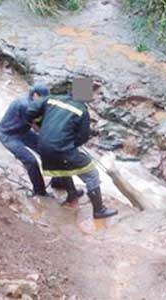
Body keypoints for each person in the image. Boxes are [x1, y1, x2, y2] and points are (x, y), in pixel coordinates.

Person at [24, 78, 117, 219]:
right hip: (60, 149)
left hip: (42, 146)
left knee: (62, 166)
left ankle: (72, 194)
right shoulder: (81, 111)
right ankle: (99, 210)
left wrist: (42, 125)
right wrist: (71, 142)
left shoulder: (52, 99)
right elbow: (83, 137)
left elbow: (30, 111)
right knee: (91, 174)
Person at [0, 84, 55, 197]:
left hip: (23, 131)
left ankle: (58, 182)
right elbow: (37, 128)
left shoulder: (35, 103)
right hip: (9, 135)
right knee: (31, 161)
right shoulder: (25, 105)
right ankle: (39, 191)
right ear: (35, 95)